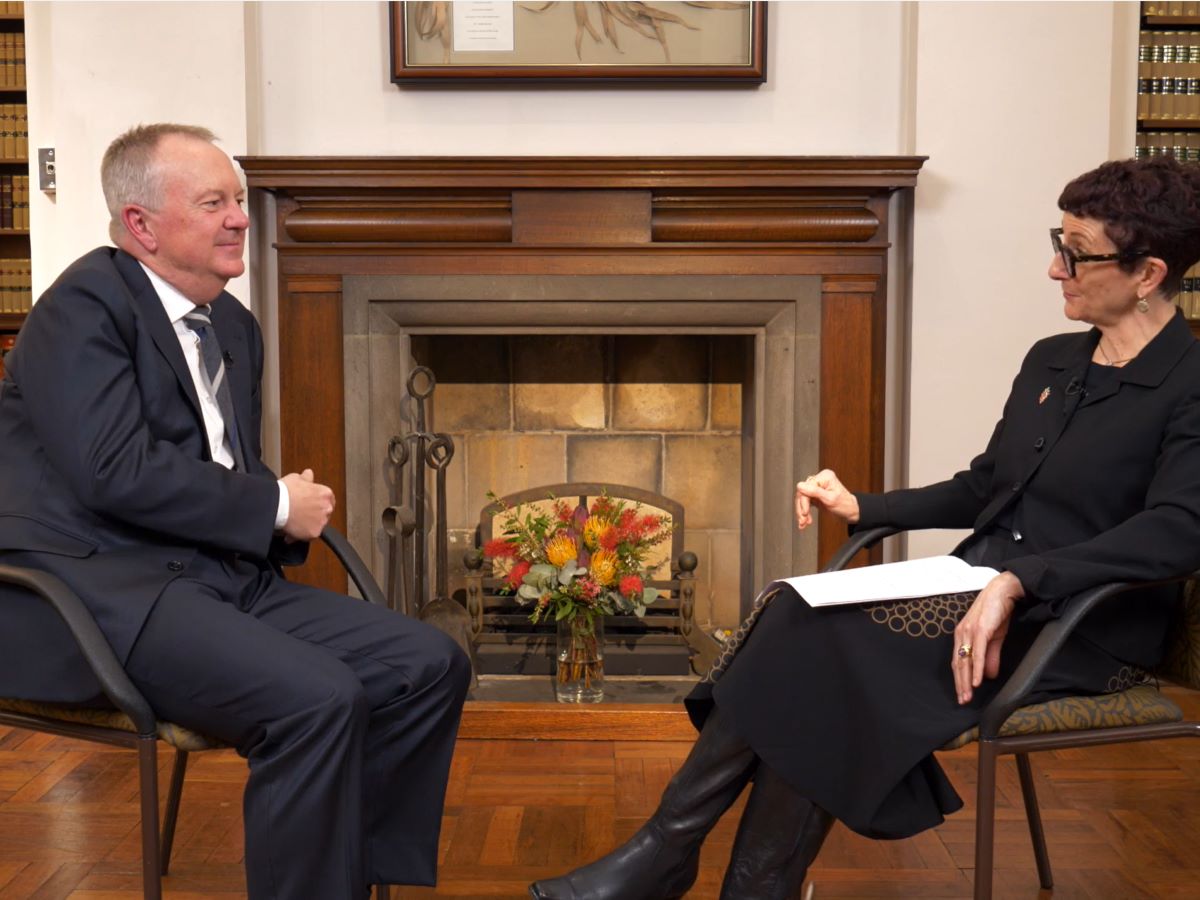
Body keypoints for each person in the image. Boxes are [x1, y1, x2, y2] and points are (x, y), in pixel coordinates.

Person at [529, 154, 1200, 900]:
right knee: (798, 611)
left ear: (1148, 273)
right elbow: (988, 487)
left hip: (1079, 625)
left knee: (830, 659)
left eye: (1076, 253)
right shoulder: (1053, 361)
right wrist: (865, 507)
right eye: (1058, 241)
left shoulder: (1188, 386)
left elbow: (1179, 530)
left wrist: (1021, 580)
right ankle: (696, 860)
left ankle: (683, 863)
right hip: (975, 593)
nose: (1054, 268)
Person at [0, 124, 471, 900]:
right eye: (214, 201)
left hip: (216, 578)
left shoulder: (232, 326)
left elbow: (217, 461)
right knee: (316, 700)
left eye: (241, 200)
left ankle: (352, 876)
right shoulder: (82, 308)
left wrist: (270, 507)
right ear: (141, 225)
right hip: (101, 592)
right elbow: (112, 471)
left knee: (426, 666)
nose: (241, 218)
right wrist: (276, 501)